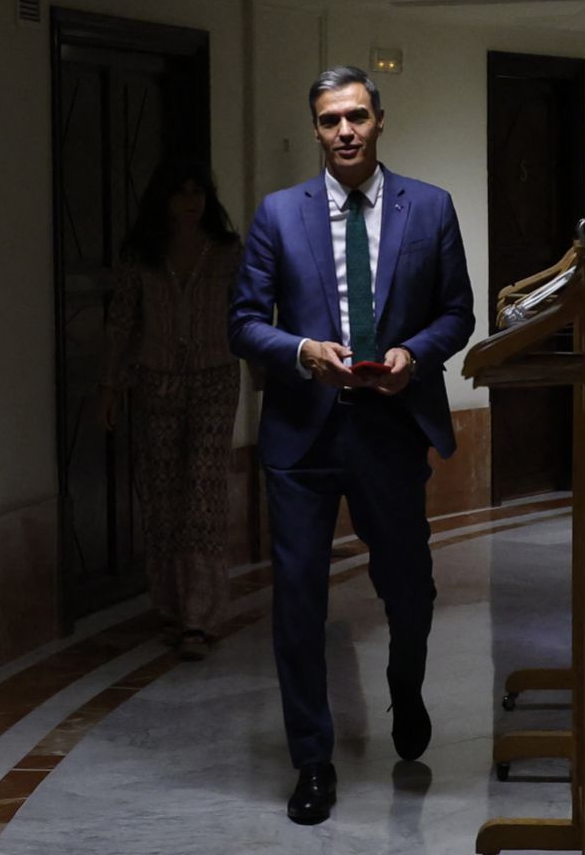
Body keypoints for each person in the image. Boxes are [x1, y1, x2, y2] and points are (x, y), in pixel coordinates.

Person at [228, 66, 475, 824]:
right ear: (314, 128)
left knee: (410, 588)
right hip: (303, 437)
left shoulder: (429, 208)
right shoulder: (278, 214)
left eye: (357, 117)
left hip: (391, 429)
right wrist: (302, 351)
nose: (344, 131)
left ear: (378, 121)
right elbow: (243, 322)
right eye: (331, 119)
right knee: (298, 602)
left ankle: (406, 685)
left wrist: (413, 355)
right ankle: (312, 759)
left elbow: (458, 313)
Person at [99, 157, 242, 661]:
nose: (189, 203)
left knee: (203, 492)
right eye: (179, 192)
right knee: (162, 494)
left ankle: (200, 617)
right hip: (154, 380)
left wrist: (269, 373)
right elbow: (121, 322)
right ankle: (170, 604)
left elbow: (246, 312)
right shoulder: (141, 255)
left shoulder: (227, 252)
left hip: (215, 379)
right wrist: (109, 387)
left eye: (197, 192)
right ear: (162, 199)